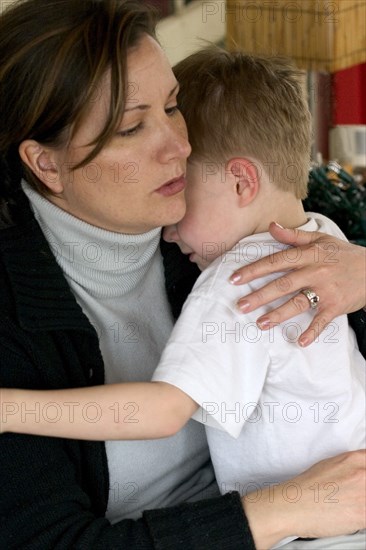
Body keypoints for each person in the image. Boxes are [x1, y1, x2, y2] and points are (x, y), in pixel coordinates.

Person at [0, 1, 365, 548]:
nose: (181, 145)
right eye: (131, 127)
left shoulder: (213, 232)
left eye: (173, 106)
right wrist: (284, 510)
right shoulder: (14, 315)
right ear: (45, 163)